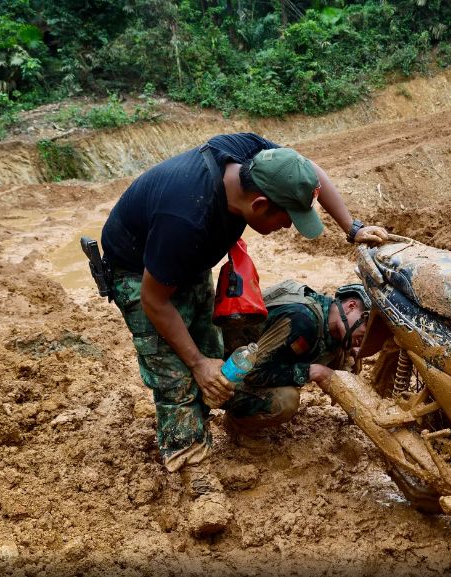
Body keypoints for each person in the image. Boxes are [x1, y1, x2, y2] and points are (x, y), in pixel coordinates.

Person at [99, 133, 387, 537]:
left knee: (215, 351)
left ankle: (210, 408)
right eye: (285, 219)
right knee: (180, 373)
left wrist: (351, 227)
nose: (288, 226)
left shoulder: (251, 154)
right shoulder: (187, 218)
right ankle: (195, 475)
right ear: (260, 205)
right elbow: (154, 300)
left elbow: (306, 172)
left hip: (188, 259)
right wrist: (198, 365)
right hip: (137, 272)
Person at [220, 282, 371, 445]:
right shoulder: (302, 319)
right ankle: (238, 423)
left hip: (257, 366)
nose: (365, 340)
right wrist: (311, 371)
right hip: (226, 376)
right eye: (366, 327)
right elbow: (253, 373)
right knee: (285, 401)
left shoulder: (331, 323)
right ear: (351, 306)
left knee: (349, 358)